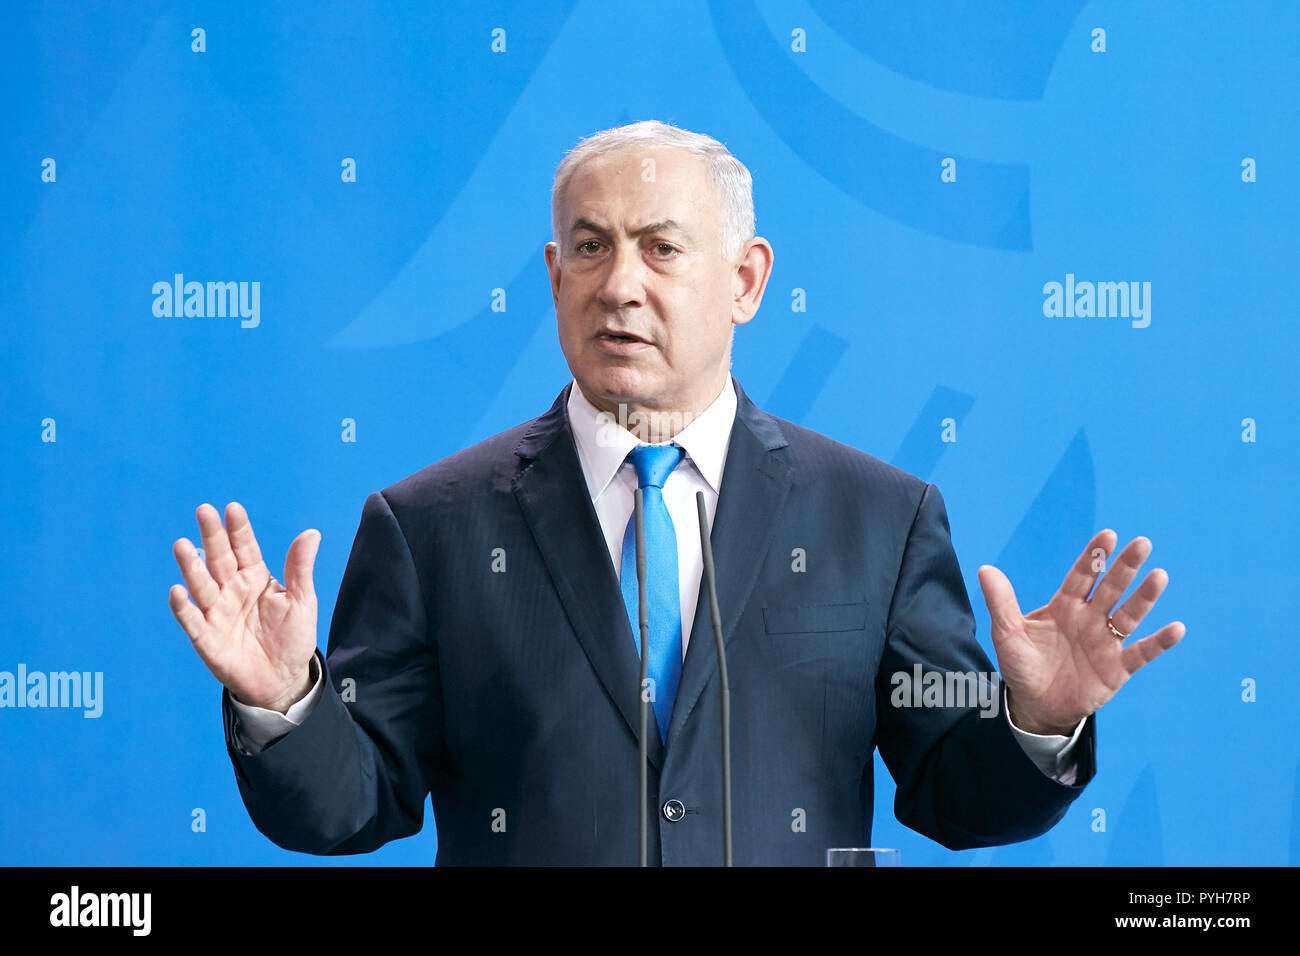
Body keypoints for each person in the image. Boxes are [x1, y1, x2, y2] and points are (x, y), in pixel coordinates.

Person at [168, 120, 1184, 865]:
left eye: (661, 247)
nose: (620, 283)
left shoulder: (878, 517)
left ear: (745, 279)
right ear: (554, 274)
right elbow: (351, 803)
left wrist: (1034, 720)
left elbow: (955, 796)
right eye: (590, 246)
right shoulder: (429, 523)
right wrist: (285, 702)